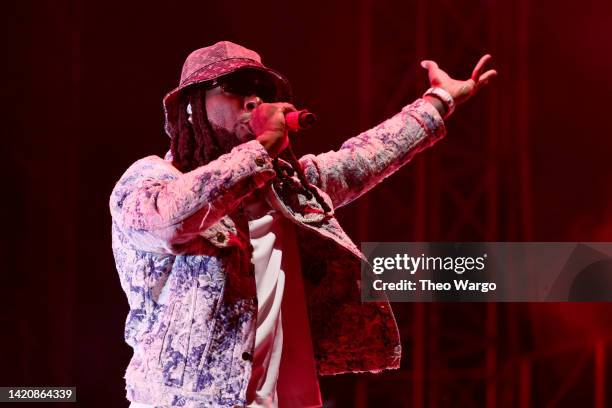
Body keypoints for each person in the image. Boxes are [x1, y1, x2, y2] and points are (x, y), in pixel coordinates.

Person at [110, 41, 496, 408]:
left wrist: (438, 102)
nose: (255, 99)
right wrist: (258, 151)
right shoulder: (152, 179)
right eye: (235, 87)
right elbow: (169, 222)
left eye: (262, 88)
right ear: (191, 107)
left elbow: (363, 157)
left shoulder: (288, 186)